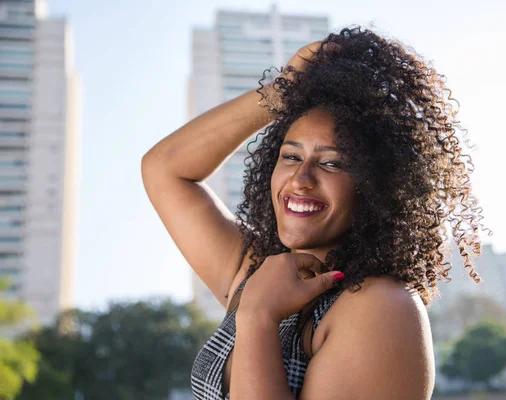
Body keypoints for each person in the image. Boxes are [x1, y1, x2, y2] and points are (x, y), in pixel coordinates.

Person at [141, 25, 488, 400]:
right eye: (290, 156)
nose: (300, 179)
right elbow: (164, 169)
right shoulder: (254, 270)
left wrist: (258, 317)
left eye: (333, 164)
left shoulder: (381, 308)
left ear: (376, 187)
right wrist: (281, 92)